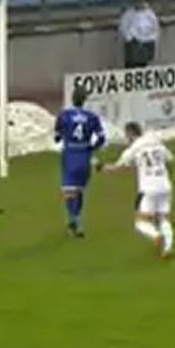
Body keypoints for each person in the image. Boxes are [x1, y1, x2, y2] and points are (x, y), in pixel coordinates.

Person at [101, 122, 175, 258]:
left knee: (140, 222)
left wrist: (101, 167)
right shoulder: (156, 143)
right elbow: (170, 159)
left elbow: (118, 167)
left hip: (148, 188)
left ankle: (156, 235)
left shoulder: (133, 149)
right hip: (165, 185)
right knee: (164, 218)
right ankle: (168, 247)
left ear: (130, 134)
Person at [53, 87, 106, 238]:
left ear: (72, 98)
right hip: (84, 155)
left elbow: (56, 137)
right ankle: (75, 220)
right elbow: (102, 138)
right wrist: (90, 147)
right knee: (79, 190)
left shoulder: (64, 115)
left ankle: (74, 219)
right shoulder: (92, 117)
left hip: (70, 154)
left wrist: (61, 137)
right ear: (85, 100)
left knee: (69, 191)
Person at [118, 0, 159, 68]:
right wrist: (130, 38)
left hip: (147, 43)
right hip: (133, 43)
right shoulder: (128, 14)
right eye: (138, 1)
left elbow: (155, 28)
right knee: (132, 65)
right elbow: (123, 28)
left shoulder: (150, 15)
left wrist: (150, 38)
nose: (140, 3)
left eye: (142, 1)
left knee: (145, 65)